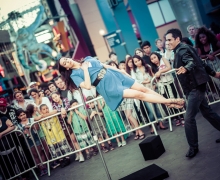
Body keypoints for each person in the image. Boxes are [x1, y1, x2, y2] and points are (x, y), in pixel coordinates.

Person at [165, 28, 220, 158]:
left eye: (169, 40)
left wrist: (186, 68)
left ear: (177, 39)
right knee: (208, 112)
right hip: (195, 86)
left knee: (189, 119)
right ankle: (194, 146)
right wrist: (214, 73)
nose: (167, 42)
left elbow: (191, 62)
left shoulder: (182, 50)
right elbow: (200, 62)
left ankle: (193, 148)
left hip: (195, 87)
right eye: (166, 40)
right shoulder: (184, 48)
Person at [58, 56, 185, 112]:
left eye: (66, 59)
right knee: (137, 94)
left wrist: (121, 70)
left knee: (142, 88)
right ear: (66, 68)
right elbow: (87, 86)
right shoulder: (75, 75)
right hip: (106, 85)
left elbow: (104, 65)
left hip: (115, 75)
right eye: (64, 63)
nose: (67, 61)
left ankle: (168, 102)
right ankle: (169, 101)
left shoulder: (87, 58)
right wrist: (85, 70)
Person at [16, 108, 48, 177]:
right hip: (28, 141)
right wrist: (23, 133)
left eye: (24, 114)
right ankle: (41, 169)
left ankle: (45, 167)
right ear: (18, 117)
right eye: (21, 115)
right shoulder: (18, 125)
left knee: (40, 152)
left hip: (35, 138)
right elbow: (20, 135)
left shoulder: (31, 119)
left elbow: (37, 128)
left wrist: (31, 127)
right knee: (35, 155)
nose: (23, 116)